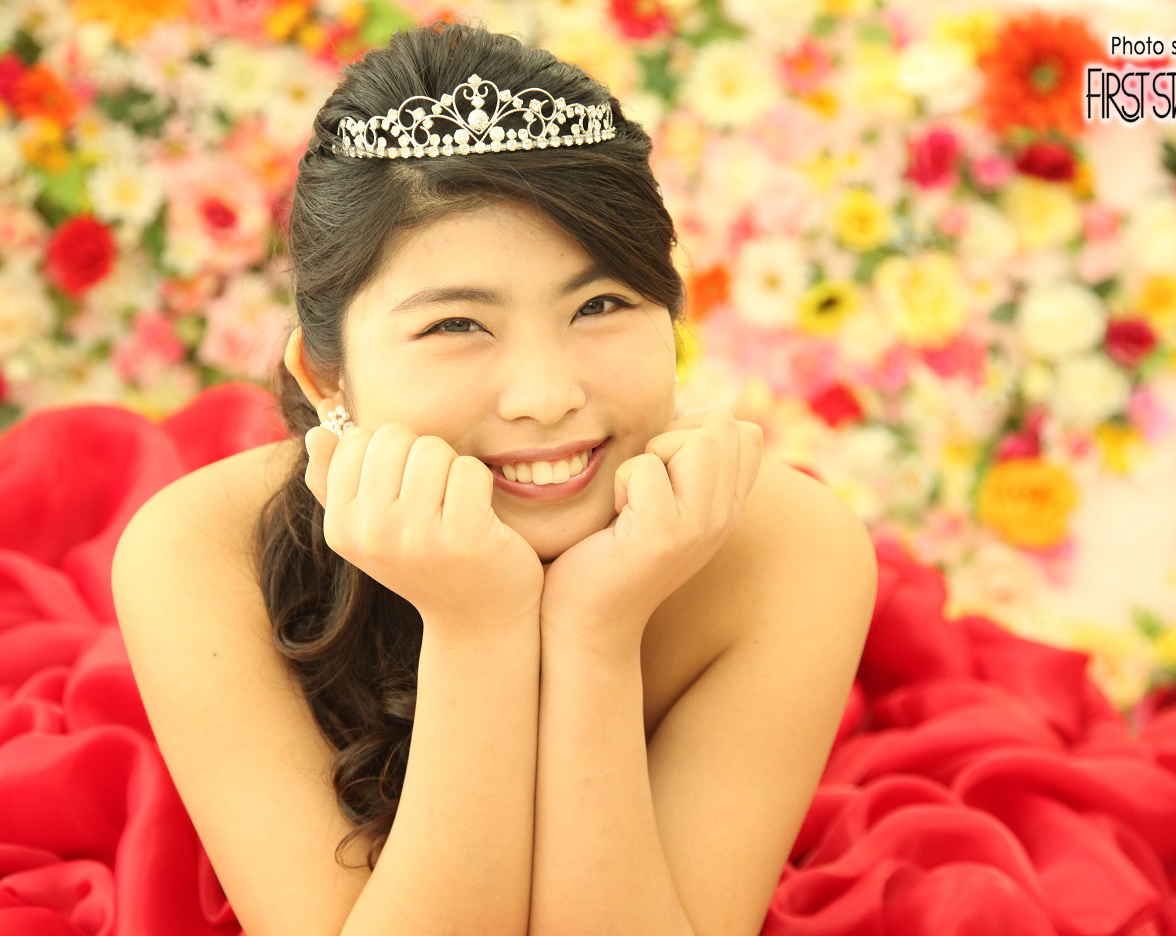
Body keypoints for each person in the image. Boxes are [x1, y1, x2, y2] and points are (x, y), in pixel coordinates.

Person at [111, 20, 876, 936]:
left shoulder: (792, 546)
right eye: (456, 325)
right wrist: (477, 628)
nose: (548, 397)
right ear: (326, 378)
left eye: (601, 304)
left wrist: (596, 631)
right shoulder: (200, 556)